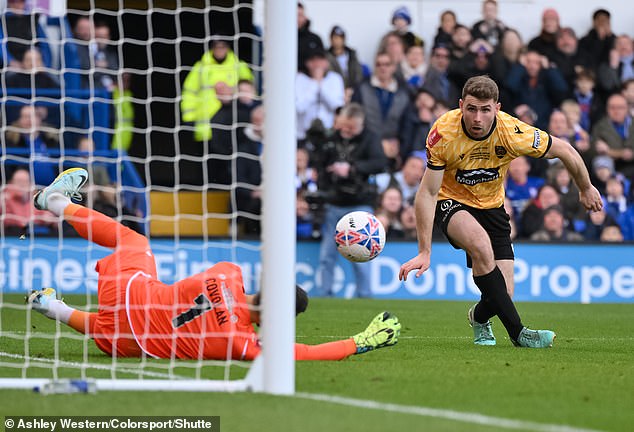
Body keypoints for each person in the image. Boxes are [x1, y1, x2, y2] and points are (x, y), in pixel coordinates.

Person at [27, 168, 401, 360]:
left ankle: (55, 201)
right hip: (126, 343)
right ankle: (51, 307)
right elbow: (304, 353)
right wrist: (360, 342)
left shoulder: (228, 272)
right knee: (118, 328)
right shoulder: (241, 343)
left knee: (134, 241)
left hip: (129, 297)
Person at [398, 76, 603, 348]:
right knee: (481, 245)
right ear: (461, 106)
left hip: (492, 206)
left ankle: (478, 318)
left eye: (485, 110)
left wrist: (586, 187)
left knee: (503, 294)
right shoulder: (443, 133)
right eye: (471, 109)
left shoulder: (512, 131)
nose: (478, 118)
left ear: (497, 108)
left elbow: (565, 149)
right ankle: (520, 334)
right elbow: (427, 192)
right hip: (452, 202)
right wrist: (425, 250)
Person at [312, 103, 387, 298]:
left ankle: (364, 294)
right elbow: (318, 162)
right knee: (327, 254)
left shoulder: (370, 138)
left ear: (360, 125)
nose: (346, 131)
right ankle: (325, 294)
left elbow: (380, 163)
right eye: (344, 126)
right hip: (333, 202)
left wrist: (351, 168)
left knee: (361, 253)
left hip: (359, 204)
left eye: (351, 128)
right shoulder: (331, 137)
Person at [181, 37, 253, 142]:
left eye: (223, 46)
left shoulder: (239, 66)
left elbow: (249, 92)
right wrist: (189, 117)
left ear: (228, 48)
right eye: (217, 47)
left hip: (231, 124)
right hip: (205, 126)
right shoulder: (201, 66)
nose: (220, 50)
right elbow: (189, 92)